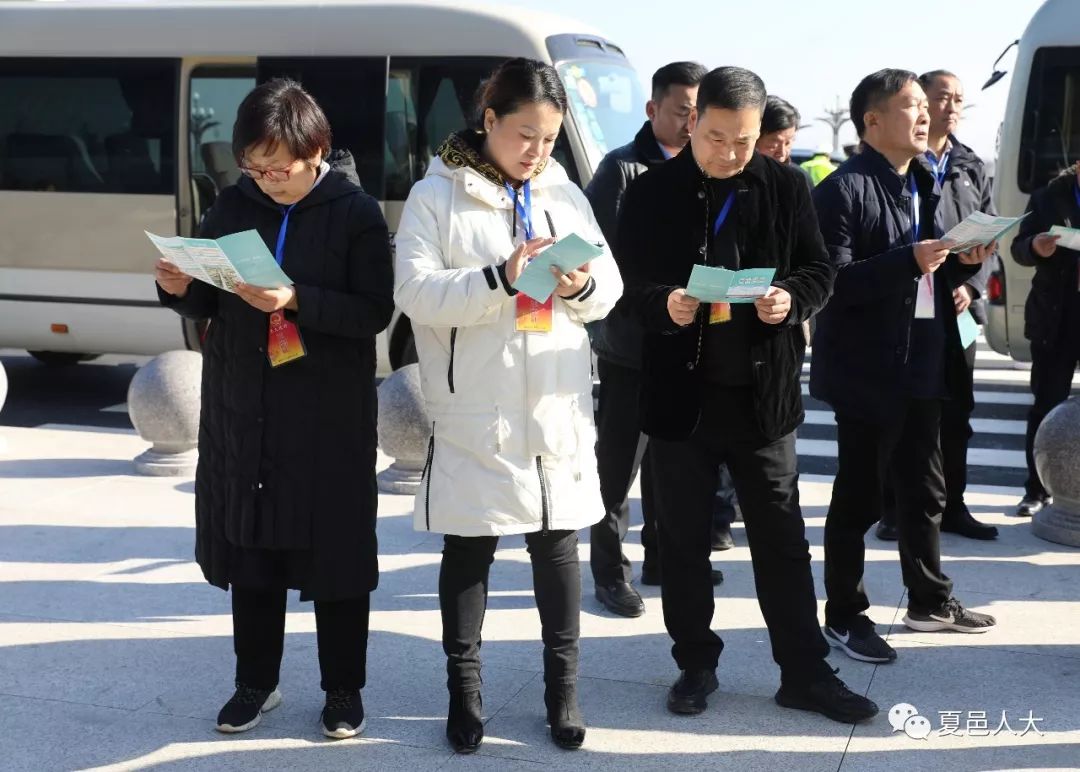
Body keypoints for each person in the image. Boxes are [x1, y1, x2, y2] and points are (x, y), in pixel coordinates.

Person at [618, 66, 877, 724]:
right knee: (681, 542)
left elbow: (819, 269)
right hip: (682, 398)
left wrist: (791, 300)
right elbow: (629, 281)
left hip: (762, 400)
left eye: (743, 140)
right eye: (715, 138)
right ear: (691, 121)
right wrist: (665, 304)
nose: (729, 153)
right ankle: (695, 664)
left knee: (782, 540)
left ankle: (803, 671)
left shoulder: (786, 186)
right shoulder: (653, 191)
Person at [394, 58, 622, 753]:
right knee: (469, 552)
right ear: (488, 121)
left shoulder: (565, 195)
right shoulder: (435, 197)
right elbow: (415, 294)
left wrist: (580, 284)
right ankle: (464, 697)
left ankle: (564, 696)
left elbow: (607, 291)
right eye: (525, 134)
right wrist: (502, 276)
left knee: (558, 550)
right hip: (477, 410)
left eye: (549, 138)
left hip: (551, 403)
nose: (538, 151)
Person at [154, 79, 394, 739]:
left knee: (337, 559)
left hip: (326, 416)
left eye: (278, 169)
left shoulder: (356, 213)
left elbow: (374, 311)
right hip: (246, 406)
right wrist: (176, 286)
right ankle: (255, 683)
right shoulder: (233, 206)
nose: (267, 181)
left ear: (314, 150)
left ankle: (343, 690)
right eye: (254, 169)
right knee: (252, 554)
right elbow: (206, 302)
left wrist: (294, 300)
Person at [811, 69, 998, 667]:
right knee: (860, 497)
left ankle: (930, 601)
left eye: (926, 105)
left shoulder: (924, 180)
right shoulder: (842, 190)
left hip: (923, 352)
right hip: (866, 368)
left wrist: (965, 262)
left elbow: (931, 271)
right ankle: (844, 614)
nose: (924, 116)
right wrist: (908, 260)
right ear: (871, 122)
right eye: (911, 106)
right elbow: (832, 283)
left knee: (924, 489)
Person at [583, 61, 728, 619]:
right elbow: (603, 253)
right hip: (632, 343)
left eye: (700, 112)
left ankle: (662, 557)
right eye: (682, 111)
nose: (692, 122)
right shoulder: (622, 170)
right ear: (653, 110)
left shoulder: (709, 169)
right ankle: (609, 574)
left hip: (688, 342)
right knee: (617, 467)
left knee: (675, 461)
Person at [875, 70, 998, 541]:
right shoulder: (905, 161)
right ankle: (892, 507)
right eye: (941, 97)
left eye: (958, 99)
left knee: (956, 412)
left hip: (959, 310)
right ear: (920, 101)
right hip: (911, 304)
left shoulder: (971, 165)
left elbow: (989, 238)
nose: (949, 106)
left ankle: (954, 504)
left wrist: (973, 281)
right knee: (903, 412)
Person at [1011, 161, 1080, 517]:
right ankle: (1036, 489)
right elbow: (1018, 247)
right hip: (1057, 318)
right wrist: (1036, 247)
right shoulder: (1049, 196)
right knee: (1046, 405)